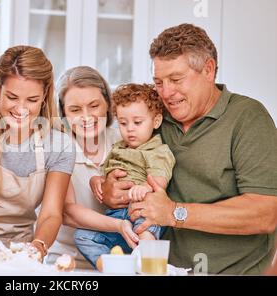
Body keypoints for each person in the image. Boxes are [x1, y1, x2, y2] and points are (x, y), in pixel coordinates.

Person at [99, 23, 277, 275]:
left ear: (208, 70)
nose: (167, 92)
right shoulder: (155, 115)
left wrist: (174, 213)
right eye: (159, 82)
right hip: (162, 270)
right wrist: (110, 188)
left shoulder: (248, 118)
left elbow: (265, 213)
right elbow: (125, 157)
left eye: (176, 79)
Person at [0, 45, 75, 262]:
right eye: (12, 97)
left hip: (24, 253)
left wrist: (38, 246)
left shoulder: (60, 144)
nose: (21, 109)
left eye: (32, 100)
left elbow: (51, 214)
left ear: (45, 95)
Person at [46, 66, 139, 269]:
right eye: (75, 110)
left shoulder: (126, 140)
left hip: (123, 261)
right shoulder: (56, 149)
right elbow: (68, 212)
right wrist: (118, 225)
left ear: (107, 103)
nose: (86, 116)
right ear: (63, 113)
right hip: (67, 262)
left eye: (94, 105)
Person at [74, 83, 175, 268]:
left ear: (156, 121)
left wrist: (145, 187)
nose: (130, 129)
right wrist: (96, 180)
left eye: (137, 122)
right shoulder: (117, 148)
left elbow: (160, 177)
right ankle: (112, 266)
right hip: (116, 221)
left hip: (141, 212)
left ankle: (146, 265)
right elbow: (107, 176)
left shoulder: (157, 150)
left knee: (147, 229)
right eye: (123, 123)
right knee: (81, 235)